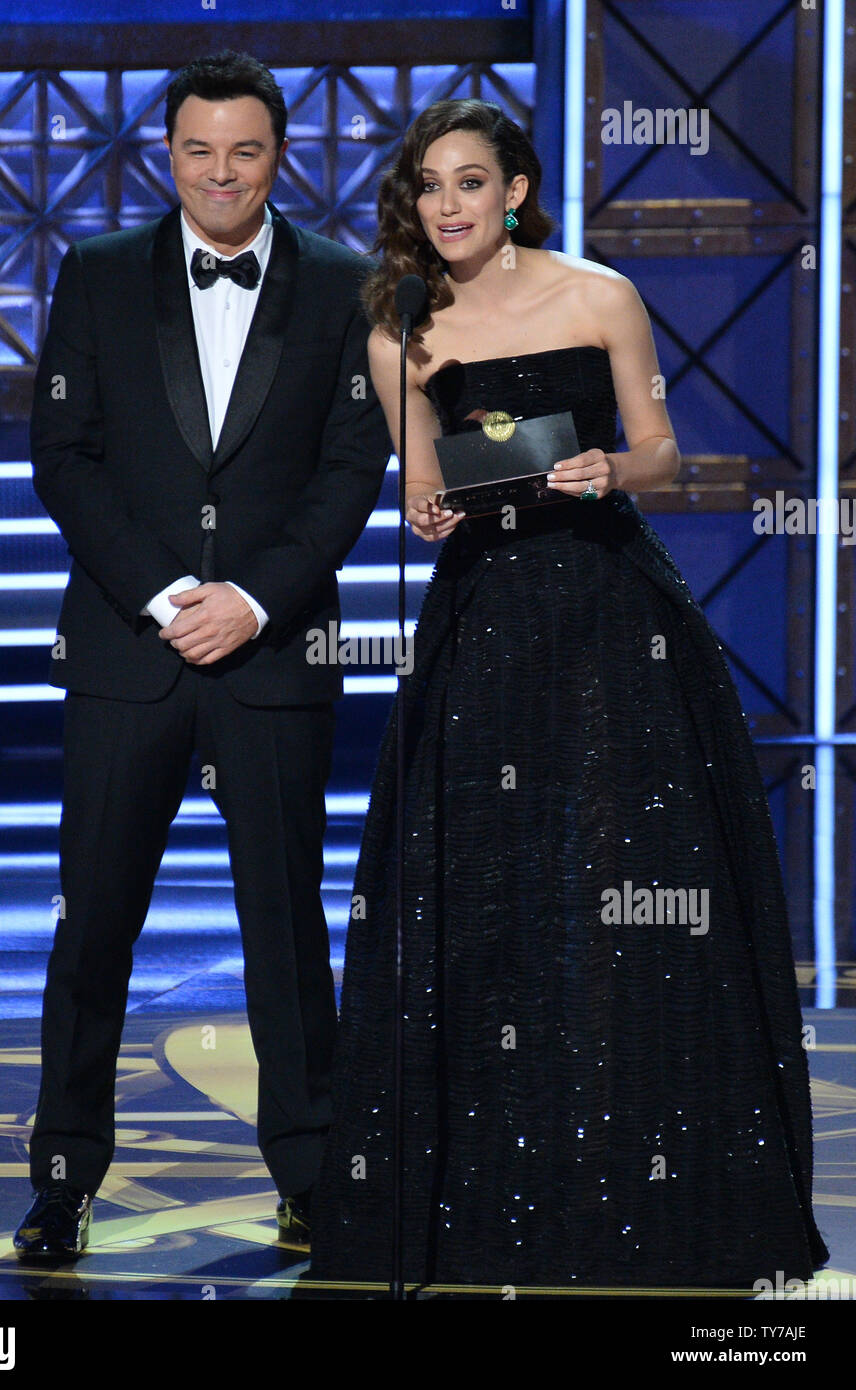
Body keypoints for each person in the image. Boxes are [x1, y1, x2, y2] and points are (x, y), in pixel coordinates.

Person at [307, 98, 829, 1291]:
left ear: (517, 191)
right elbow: (424, 485)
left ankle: (643, 1178)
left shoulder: (597, 295)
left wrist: (606, 465)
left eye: (471, 183)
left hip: (609, 618)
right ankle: (497, 1184)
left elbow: (662, 449)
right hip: (482, 627)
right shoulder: (397, 325)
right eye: (429, 185)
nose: (448, 205)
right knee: (490, 894)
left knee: (624, 893)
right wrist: (425, 506)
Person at [13, 50, 391, 1258]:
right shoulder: (99, 274)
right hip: (129, 654)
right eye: (196, 148)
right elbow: (61, 457)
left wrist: (255, 603)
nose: (220, 172)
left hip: (272, 660)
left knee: (285, 927)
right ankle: (63, 1183)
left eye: (244, 149)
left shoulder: (345, 285)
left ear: (279, 155)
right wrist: (176, 595)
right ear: (163, 153)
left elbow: (353, 468)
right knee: (93, 931)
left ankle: (310, 1176)